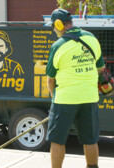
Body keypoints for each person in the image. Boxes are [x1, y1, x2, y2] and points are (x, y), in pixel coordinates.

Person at [45, 9, 105, 168]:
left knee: (57, 140)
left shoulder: (58, 46)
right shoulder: (91, 38)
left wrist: (53, 98)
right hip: (90, 97)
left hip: (65, 100)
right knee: (90, 139)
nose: (53, 30)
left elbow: (50, 79)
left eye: (53, 26)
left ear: (58, 24)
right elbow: (100, 68)